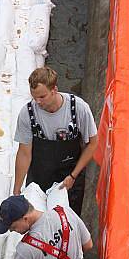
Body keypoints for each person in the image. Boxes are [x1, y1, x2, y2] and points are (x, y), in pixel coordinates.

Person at [13, 66, 98, 216]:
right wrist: (16, 190)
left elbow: (92, 144)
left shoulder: (78, 108)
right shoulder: (27, 114)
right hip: (40, 175)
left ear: (54, 90)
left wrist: (73, 176)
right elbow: (24, 153)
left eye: (42, 97)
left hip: (69, 176)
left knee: (66, 221)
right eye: (34, 97)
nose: (38, 102)